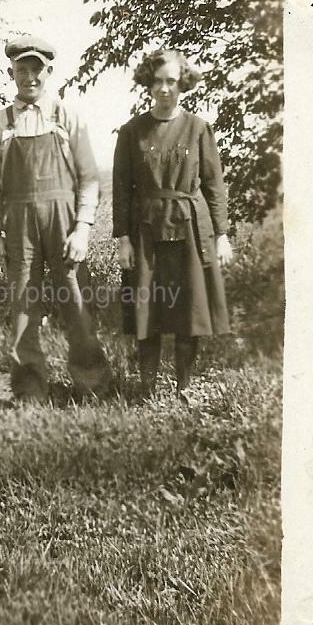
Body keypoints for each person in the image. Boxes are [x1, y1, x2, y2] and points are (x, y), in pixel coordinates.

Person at [0, 34, 110, 402]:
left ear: (48, 71)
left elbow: (88, 178)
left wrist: (83, 228)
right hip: (19, 224)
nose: (30, 77)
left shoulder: (66, 117)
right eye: (22, 70)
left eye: (37, 70)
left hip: (64, 221)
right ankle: (29, 390)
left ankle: (92, 384)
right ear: (11, 73)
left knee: (75, 300)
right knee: (23, 305)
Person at [112, 48, 233, 403]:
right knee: (147, 306)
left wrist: (222, 235)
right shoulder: (131, 131)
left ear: (183, 83)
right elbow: (121, 188)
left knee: (189, 308)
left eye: (171, 81)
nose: (165, 89)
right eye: (158, 81)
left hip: (190, 225)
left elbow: (214, 185)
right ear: (148, 84)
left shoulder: (198, 128)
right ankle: (147, 387)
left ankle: (184, 387)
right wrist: (123, 239)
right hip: (145, 228)